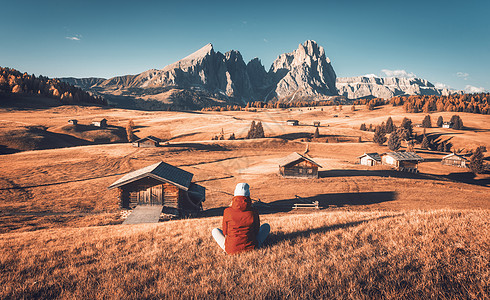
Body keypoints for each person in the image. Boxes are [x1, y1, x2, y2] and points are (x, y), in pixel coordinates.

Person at [212, 183, 270, 254]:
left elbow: (225, 232)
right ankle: (256, 246)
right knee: (266, 226)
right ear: (248, 197)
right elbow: (256, 231)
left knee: (215, 231)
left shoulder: (227, 211)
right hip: (251, 247)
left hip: (231, 249)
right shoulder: (254, 211)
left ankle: (227, 249)